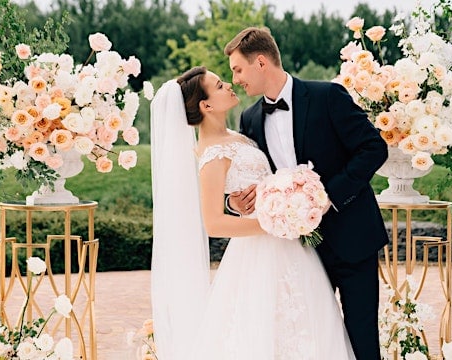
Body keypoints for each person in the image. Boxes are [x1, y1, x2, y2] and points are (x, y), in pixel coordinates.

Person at [150, 66, 355, 359]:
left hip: (289, 245)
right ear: (205, 105)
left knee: (309, 322)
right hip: (258, 253)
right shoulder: (210, 155)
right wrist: (276, 221)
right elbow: (214, 224)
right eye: (220, 86)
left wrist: (285, 208)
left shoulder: (239, 135)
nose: (230, 86)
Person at [224, 27, 389, 359]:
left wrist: (327, 196)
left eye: (237, 69)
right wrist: (235, 202)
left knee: (362, 339)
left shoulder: (328, 96)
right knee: (312, 341)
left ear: (260, 62)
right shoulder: (250, 118)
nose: (236, 79)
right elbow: (252, 176)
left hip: (353, 239)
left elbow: (373, 148)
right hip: (298, 253)